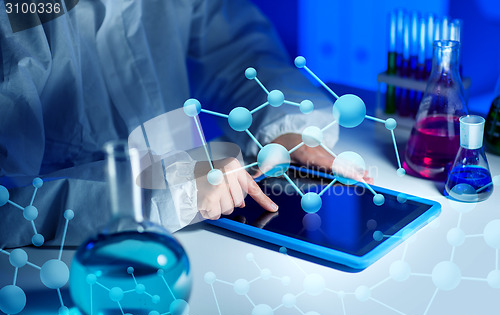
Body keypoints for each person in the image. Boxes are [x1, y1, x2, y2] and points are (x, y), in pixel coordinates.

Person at [0, 0, 357, 248]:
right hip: (53, 269)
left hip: (185, 230)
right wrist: (168, 190)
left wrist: (286, 128)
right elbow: (10, 203)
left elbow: (238, 52)